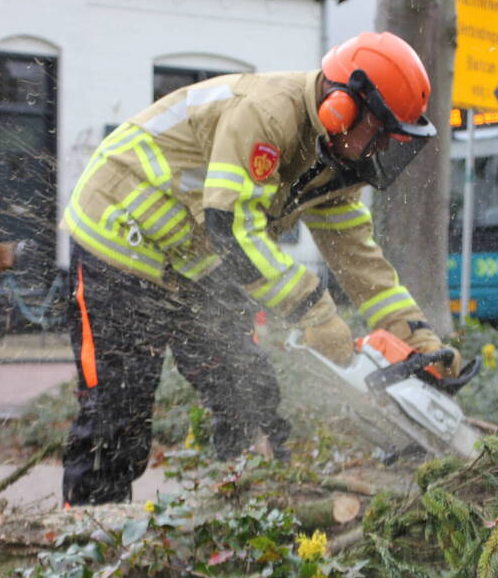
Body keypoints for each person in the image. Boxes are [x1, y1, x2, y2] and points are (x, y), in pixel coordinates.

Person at [59, 31, 462, 506]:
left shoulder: (334, 159)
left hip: (193, 257)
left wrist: (414, 336)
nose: (378, 150)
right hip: (120, 238)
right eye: (378, 134)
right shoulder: (268, 114)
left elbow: (359, 258)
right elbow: (231, 226)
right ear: (343, 107)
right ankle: (85, 535)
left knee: (247, 391)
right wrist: (314, 311)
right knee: (117, 415)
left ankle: (245, 513)